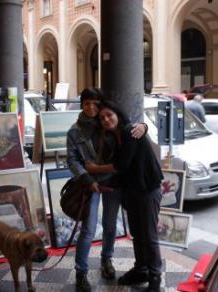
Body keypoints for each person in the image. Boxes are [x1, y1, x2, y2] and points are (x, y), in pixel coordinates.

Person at [66, 88, 147, 292]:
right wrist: (86, 178)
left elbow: (129, 130)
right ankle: (81, 271)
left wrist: (143, 126)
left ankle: (106, 260)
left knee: (110, 225)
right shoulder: (74, 132)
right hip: (90, 184)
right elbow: (72, 160)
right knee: (88, 229)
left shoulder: (108, 123)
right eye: (86, 103)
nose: (91, 107)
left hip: (113, 181)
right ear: (81, 105)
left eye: (95, 103)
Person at [86, 100, 164, 292]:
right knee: (137, 233)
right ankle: (141, 269)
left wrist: (94, 169)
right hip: (134, 190)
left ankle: (155, 278)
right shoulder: (117, 136)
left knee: (149, 235)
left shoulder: (130, 132)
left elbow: (121, 165)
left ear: (118, 114)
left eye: (109, 115)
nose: (106, 119)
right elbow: (124, 170)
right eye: (102, 117)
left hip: (148, 190)